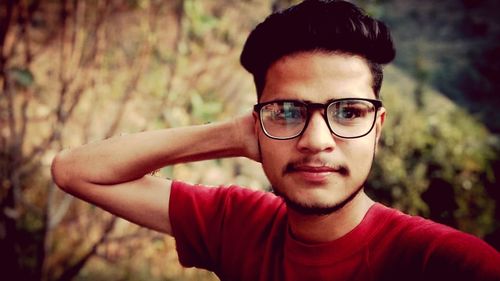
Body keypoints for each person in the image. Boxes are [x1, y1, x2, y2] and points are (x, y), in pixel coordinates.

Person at [51, 0, 500, 280]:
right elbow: (75, 171)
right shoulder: (238, 225)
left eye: (348, 113)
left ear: (377, 127)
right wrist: (231, 135)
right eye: (289, 112)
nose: (316, 141)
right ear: (256, 124)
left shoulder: (448, 265)